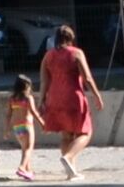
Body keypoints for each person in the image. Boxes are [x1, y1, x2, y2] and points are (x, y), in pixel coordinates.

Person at [38, 28, 102, 178]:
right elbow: (87, 78)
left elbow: (44, 81)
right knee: (85, 132)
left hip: (54, 98)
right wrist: (97, 95)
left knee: (66, 135)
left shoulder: (48, 56)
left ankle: (71, 171)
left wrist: (42, 100)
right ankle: (68, 157)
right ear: (71, 38)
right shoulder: (76, 53)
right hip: (73, 97)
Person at [3, 69, 45, 179]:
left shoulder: (12, 99)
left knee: (24, 148)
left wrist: (7, 130)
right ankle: (22, 167)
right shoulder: (28, 98)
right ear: (27, 86)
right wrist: (42, 123)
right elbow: (34, 112)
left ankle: (28, 171)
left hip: (17, 128)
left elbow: (8, 115)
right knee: (29, 148)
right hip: (27, 126)